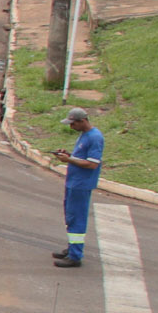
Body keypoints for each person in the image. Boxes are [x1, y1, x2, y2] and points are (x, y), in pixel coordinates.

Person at [51, 107, 103, 267]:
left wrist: (69, 160)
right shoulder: (84, 135)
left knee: (77, 219)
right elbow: (81, 157)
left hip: (81, 184)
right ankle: (72, 248)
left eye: (73, 123)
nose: (71, 127)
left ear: (82, 121)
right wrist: (69, 155)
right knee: (71, 217)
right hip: (74, 182)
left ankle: (75, 256)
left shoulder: (95, 138)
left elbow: (92, 164)